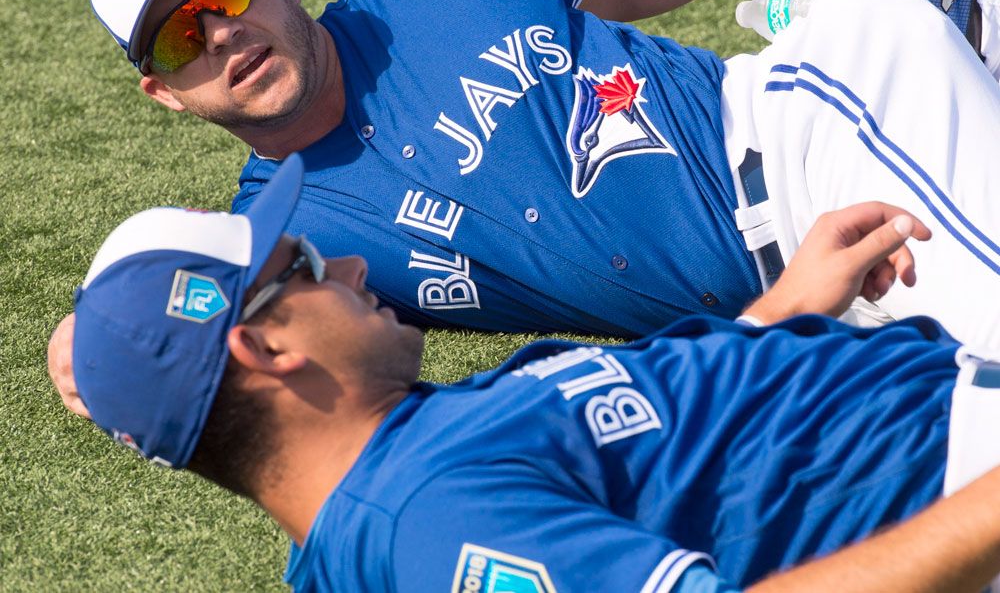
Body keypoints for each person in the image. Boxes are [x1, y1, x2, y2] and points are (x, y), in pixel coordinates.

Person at [86, 0, 1000, 348]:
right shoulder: (287, 240)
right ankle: (948, 2)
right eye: (181, 34)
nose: (222, 33)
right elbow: (163, 327)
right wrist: (79, 346)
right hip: (807, 297)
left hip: (799, 130)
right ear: (164, 92)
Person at [54, 153, 1000, 592]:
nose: (348, 269)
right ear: (264, 349)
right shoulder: (426, 522)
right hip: (955, 476)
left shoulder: (395, 458)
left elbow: (638, 450)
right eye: (302, 268)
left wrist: (779, 312)